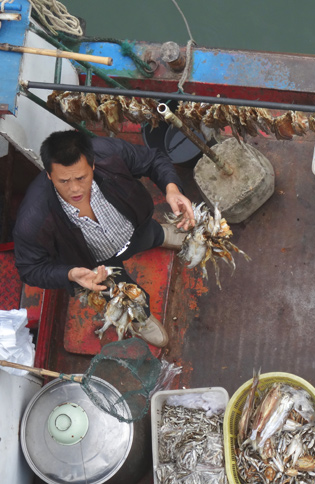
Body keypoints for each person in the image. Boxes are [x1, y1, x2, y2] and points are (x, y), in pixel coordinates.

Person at [13, 130, 196, 348]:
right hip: (96, 266)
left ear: (92, 165)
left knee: (151, 235)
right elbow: (29, 269)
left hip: (135, 229)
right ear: (49, 176)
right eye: (63, 180)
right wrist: (70, 274)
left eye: (81, 177)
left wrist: (171, 188)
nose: (75, 189)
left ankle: (162, 234)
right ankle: (140, 318)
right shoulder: (32, 219)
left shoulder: (108, 153)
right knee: (123, 296)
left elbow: (153, 159)